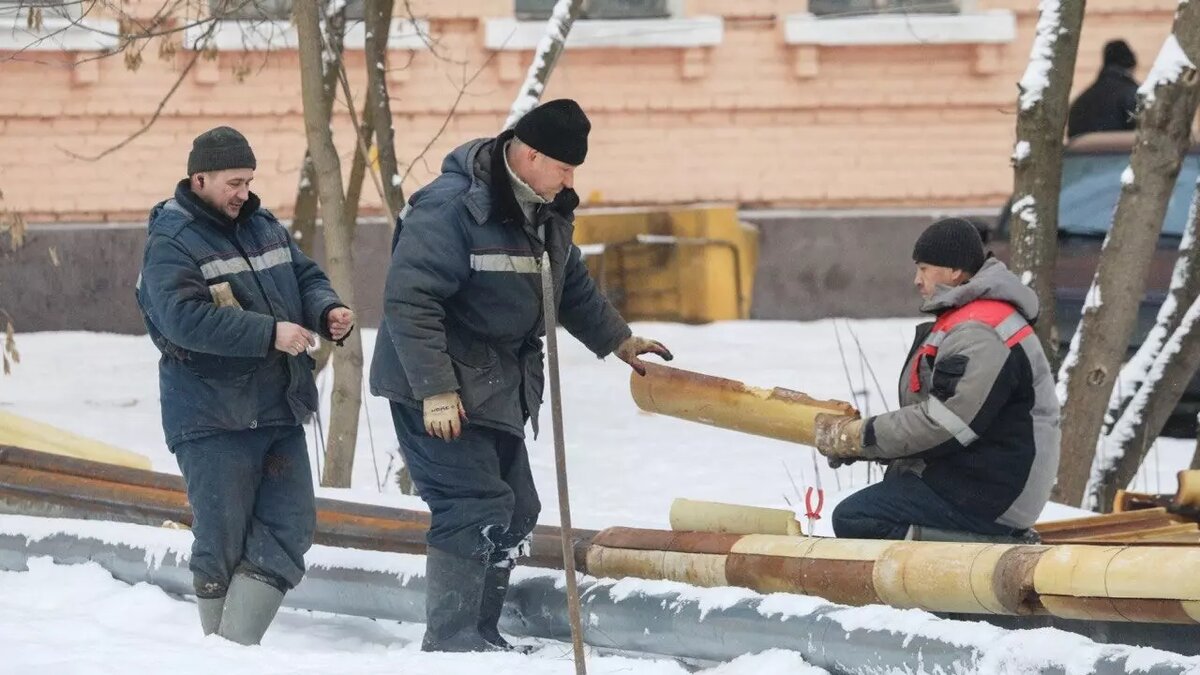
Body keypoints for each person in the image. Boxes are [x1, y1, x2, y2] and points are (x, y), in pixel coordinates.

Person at [370, 98, 672, 652]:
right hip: (437, 386)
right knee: (473, 507)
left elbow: (569, 282)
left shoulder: (545, 209)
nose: (570, 178)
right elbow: (410, 301)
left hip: (497, 382)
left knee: (518, 510)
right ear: (530, 156)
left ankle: (482, 634)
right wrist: (435, 390)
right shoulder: (451, 208)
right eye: (563, 167)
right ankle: (454, 642)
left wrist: (618, 340)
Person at [136, 126, 354, 644]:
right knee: (222, 541)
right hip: (213, 419)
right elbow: (180, 320)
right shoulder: (171, 243)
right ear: (200, 179)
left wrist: (327, 309)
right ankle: (222, 655)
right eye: (234, 182)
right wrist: (268, 333)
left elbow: (304, 276)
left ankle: (233, 649)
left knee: (290, 526)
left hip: (277, 408)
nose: (243, 192)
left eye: (248, 180)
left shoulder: (263, 225)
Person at [811, 218, 1060, 542]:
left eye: (924, 268)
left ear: (954, 271)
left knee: (857, 518)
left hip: (991, 491)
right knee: (874, 503)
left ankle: (999, 546)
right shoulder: (970, 319)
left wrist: (860, 437)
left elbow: (946, 422)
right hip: (976, 478)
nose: (917, 279)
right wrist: (865, 447)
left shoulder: (980, 331)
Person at [1067, 39, 1139, 139]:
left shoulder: (1082, 100)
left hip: (1083, 154)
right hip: (1119, 152)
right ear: (1131, 66)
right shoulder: (1133, 94)